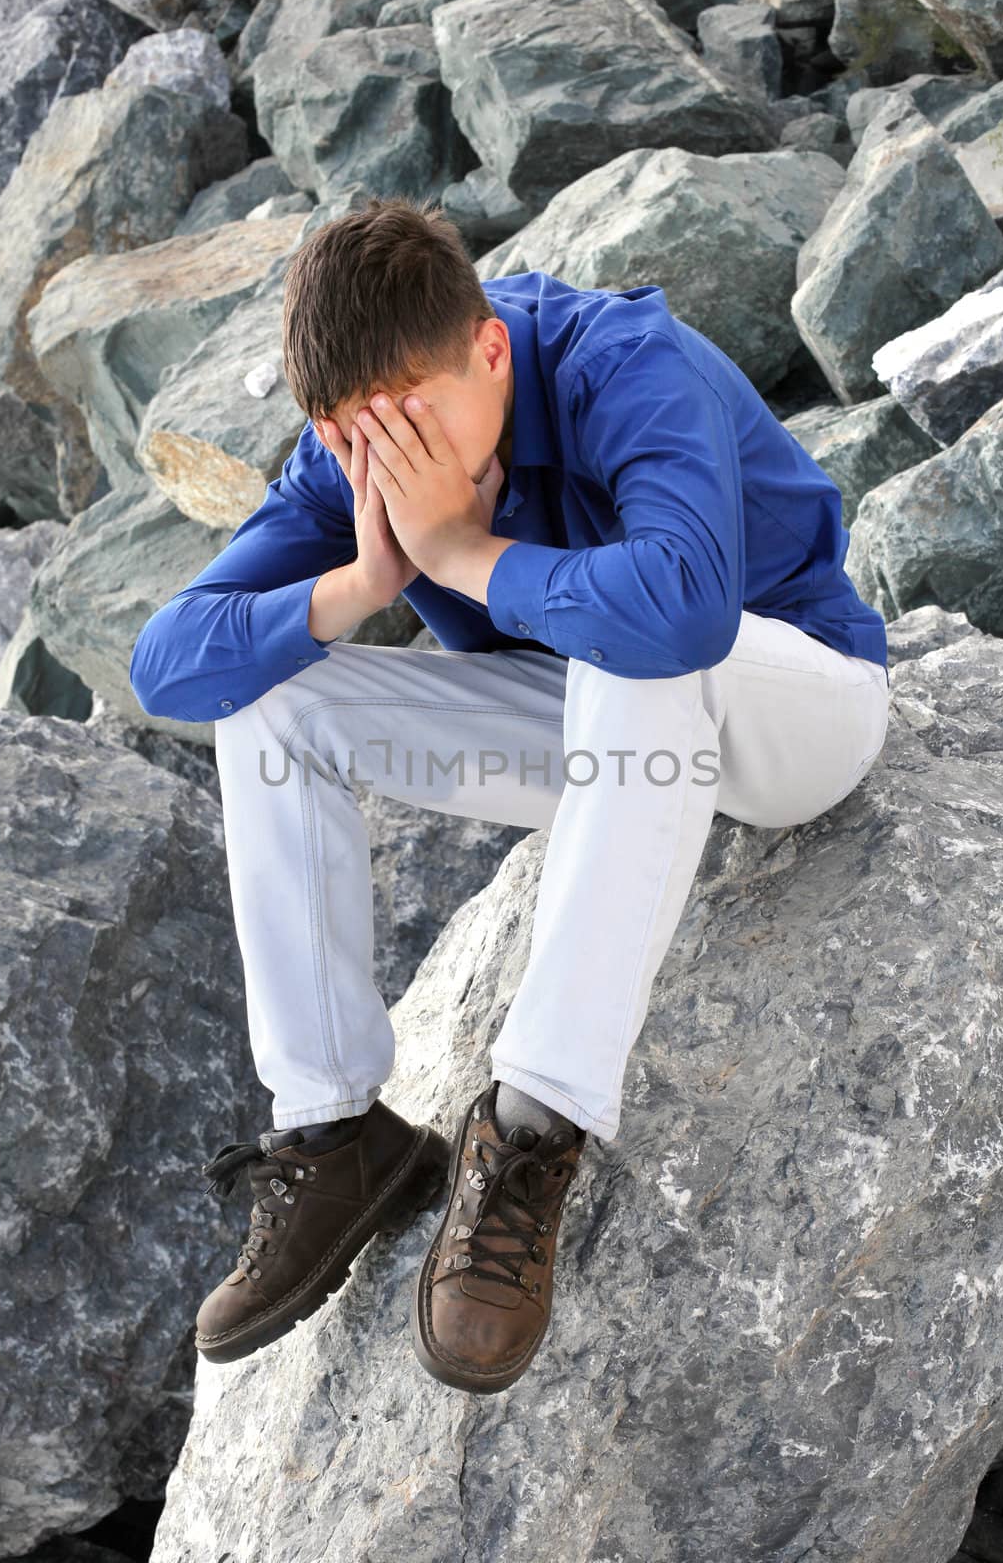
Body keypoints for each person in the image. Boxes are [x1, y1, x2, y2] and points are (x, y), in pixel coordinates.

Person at [129, 193, 890, 1393]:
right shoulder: (357, 446)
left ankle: (530, 1132)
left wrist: (458, 557)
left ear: (489, 350)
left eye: (412, 425)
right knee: (270, 700)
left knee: (643, 643)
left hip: (793, 711)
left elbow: (684, 606)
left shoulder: (624, 363)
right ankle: (336, 1133)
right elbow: (166, 662)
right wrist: (362, 579)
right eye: (350, 441)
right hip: (605, 749)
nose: (386, 462)